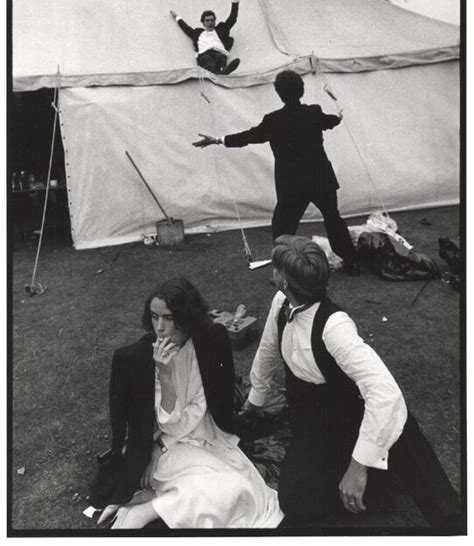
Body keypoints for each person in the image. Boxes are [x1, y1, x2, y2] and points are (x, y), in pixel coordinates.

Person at [240, 235, 462, 530]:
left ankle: (449, 521)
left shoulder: (334, 327)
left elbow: (385, 394)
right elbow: (268, 348)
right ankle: (379, 480)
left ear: (284, 279)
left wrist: (358, 467)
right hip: (314, 425)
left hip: (352, 418)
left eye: (275, 268)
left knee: (402, 431)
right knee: (296, 502)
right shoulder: (282, 302)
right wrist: (255, 402)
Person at [91, 277, 283, 529]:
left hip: (201, 435)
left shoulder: (209, 341)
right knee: (229, 489)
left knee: (244, 490)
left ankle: (152, 505)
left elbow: (200, 408)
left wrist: (163, 444)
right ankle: (145, 510)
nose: (159, 327)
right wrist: (166, 374)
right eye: (154, 316)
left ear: (186, 317)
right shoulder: (137, 357)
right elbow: (164, 422)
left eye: (168, 318)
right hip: (162, 448)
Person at [193, 69, 360, 274]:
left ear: (279, 94)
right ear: (301, 90)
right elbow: (329, 122)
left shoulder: (274, 120)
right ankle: (351, 262)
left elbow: (249, 136)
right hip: (321, 178)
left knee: (283, 228)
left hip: (292, 183)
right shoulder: (313, 112)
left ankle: (283, 268)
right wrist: (338, 118)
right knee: (333, 219)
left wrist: (218, 140)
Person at [170, 0, 241, 75]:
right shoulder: (198, 33)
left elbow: (232, 18)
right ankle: (221, 71)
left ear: (215, 21)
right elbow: (186, 28)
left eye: (212, 20)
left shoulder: (221, 30)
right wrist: (177, 17)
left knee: (220, 56)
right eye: (207, 20)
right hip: (205, 55)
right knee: (207, 59)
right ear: (203, 23)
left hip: (219, 53)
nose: (210, 22)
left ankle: (221, 70)